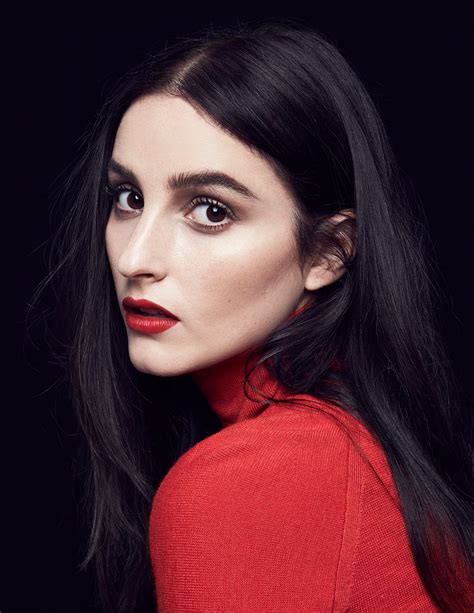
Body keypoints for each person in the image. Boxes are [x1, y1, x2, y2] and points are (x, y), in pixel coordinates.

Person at [27, 18, 472, 613]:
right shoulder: (353, 448)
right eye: (129, 199)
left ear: (328, 252)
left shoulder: (248, 487)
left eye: (210, 210)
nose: (136, 258)